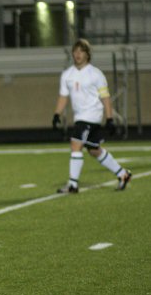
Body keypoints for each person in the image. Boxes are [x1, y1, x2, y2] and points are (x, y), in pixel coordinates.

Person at [52, 39, 132, 194]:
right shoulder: (67, 75)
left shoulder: (95, 74)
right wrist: (57, 114)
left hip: (91, 116)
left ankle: (72, 185)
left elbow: (105, 97)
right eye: (75, 51)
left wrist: (109, 118)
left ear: (88, 54)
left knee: (75, 145)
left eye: (81, 51)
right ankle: (123, 174)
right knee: (94, 150)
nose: (78, 54)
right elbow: (63, 96)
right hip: (80, 117)